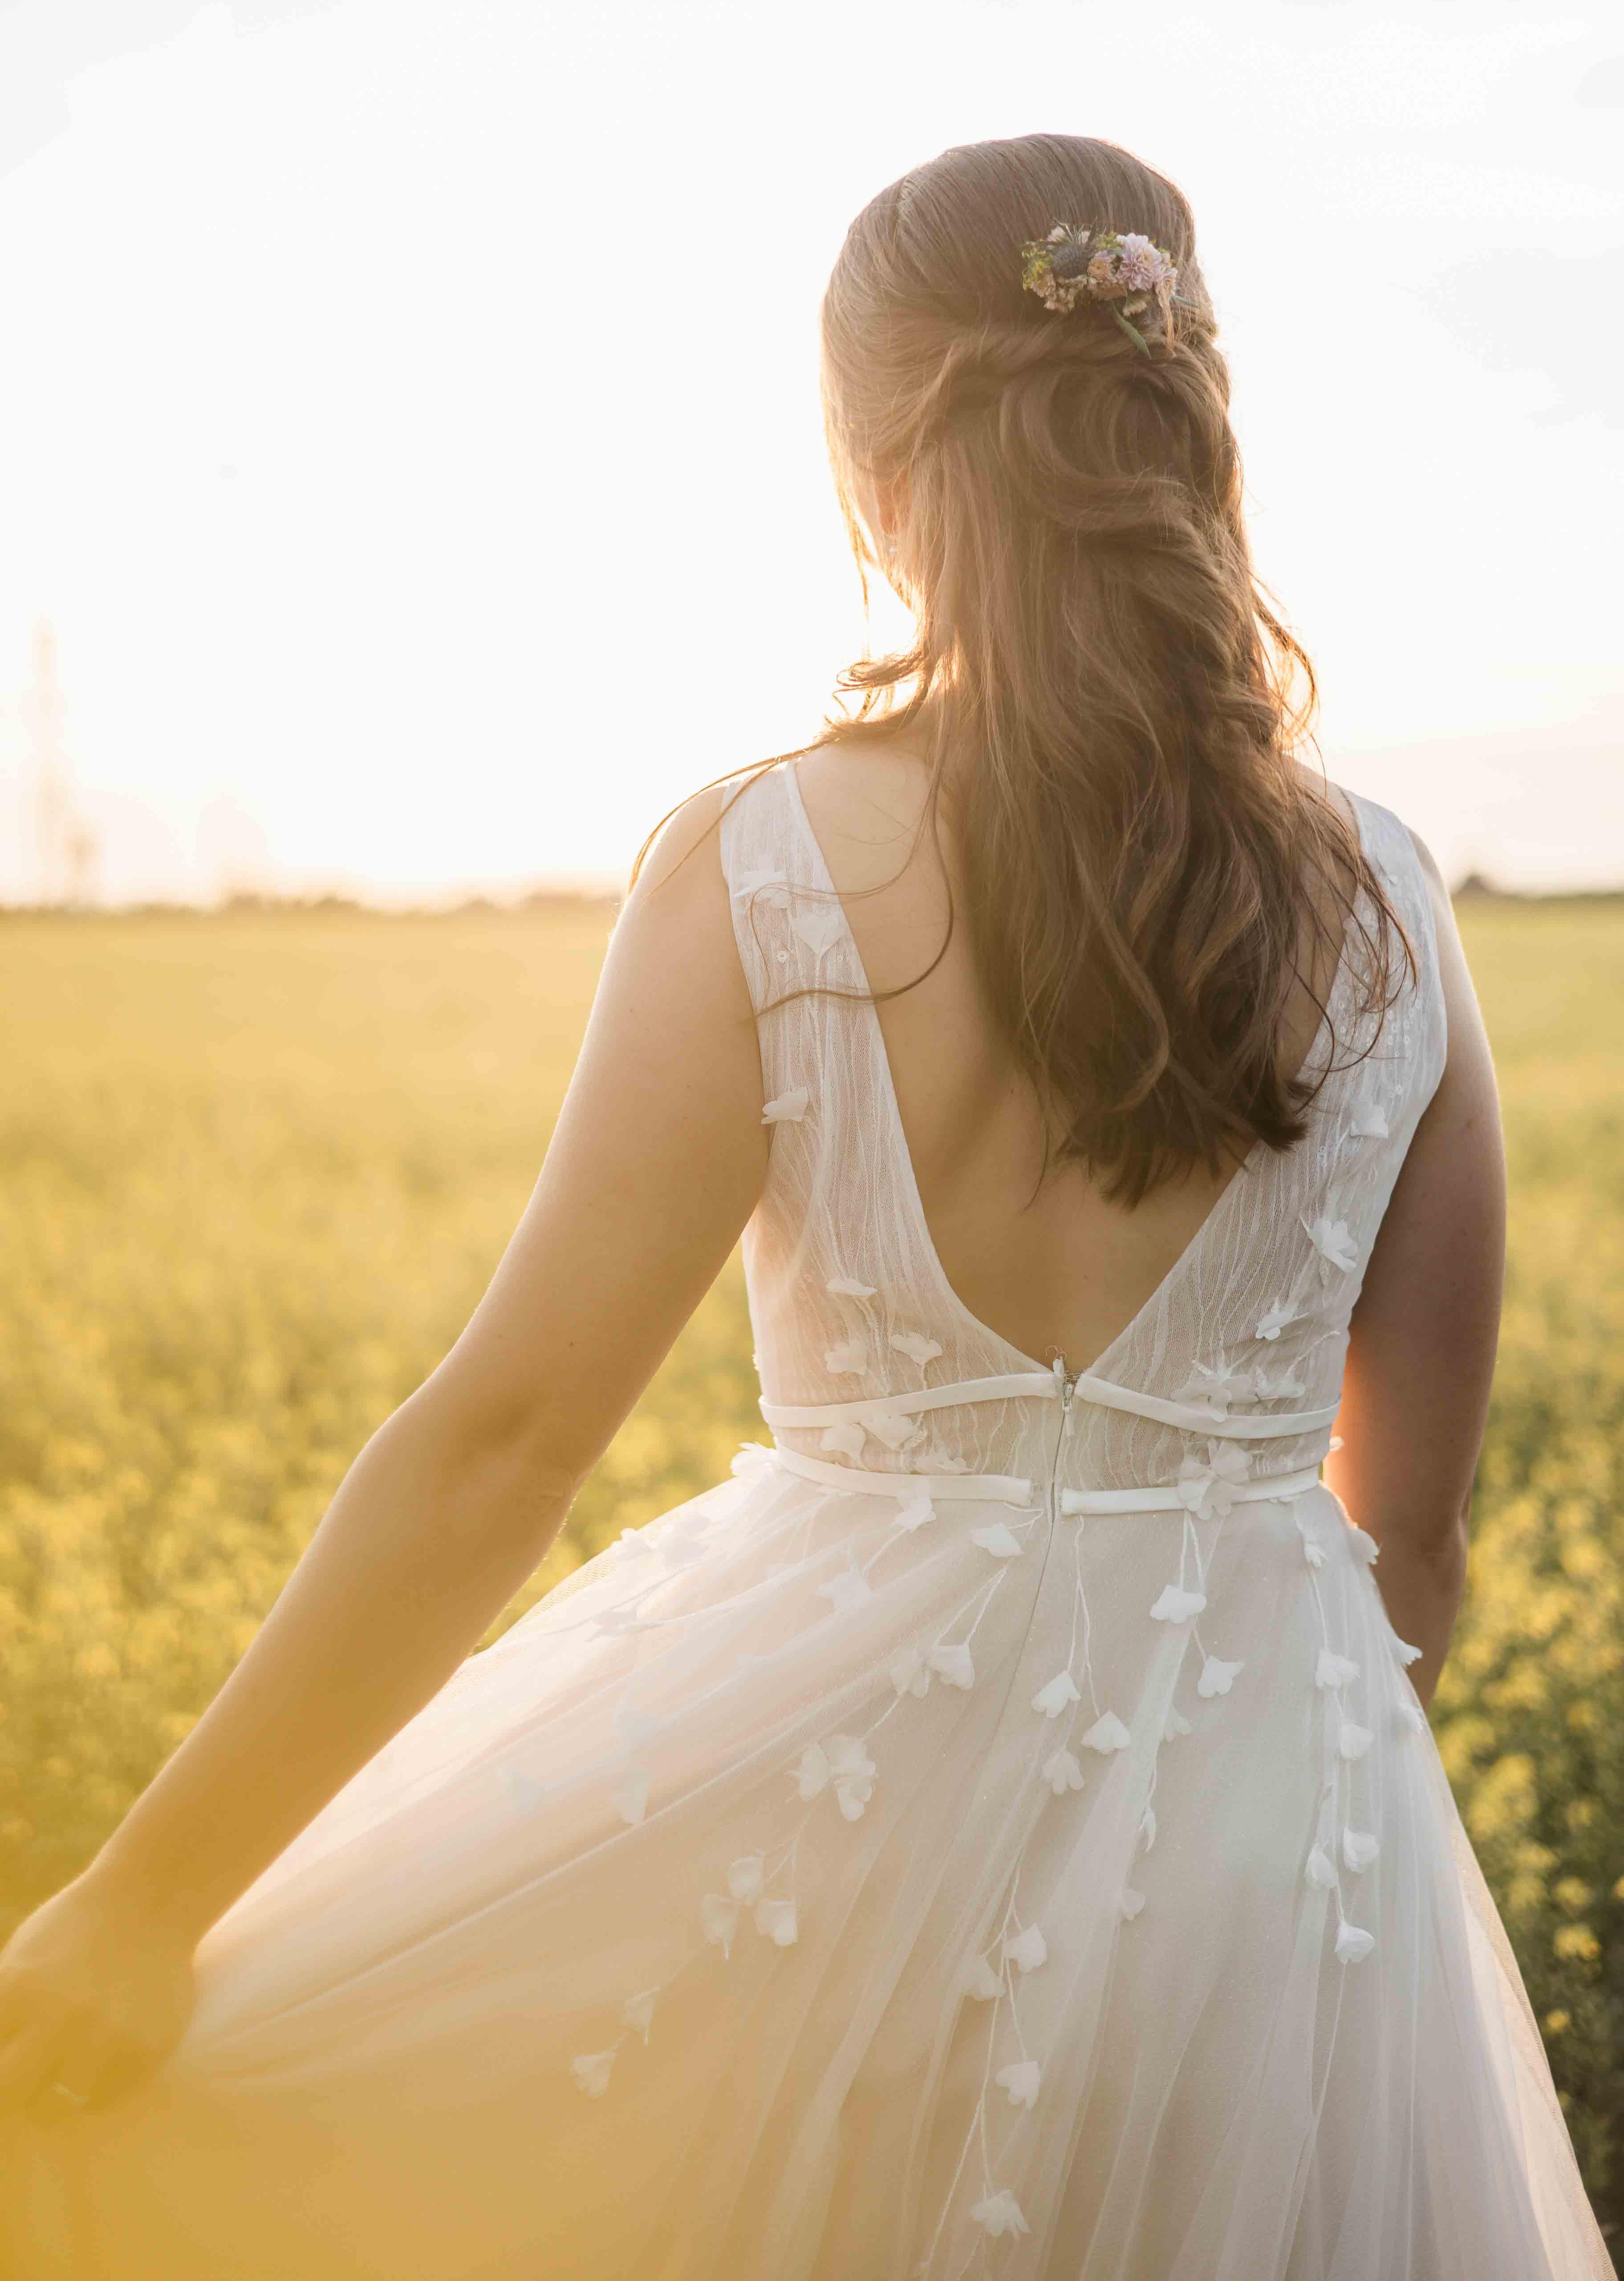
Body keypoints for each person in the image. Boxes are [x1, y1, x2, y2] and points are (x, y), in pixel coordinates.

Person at [0, 133, 1612, 2281]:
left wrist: (140, 1907)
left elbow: (503, 1444)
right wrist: (1253, 1819)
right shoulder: (1397, 901)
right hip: (1269, 1856)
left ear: (870, 476)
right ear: (1191, 417)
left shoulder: (756, 866)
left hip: (805, 1821)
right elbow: (1411, 1537)